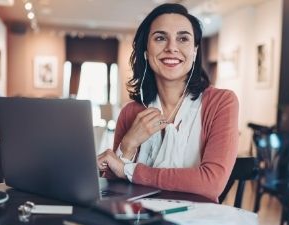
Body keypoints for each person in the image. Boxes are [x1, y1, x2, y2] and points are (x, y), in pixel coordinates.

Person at [97, 3, 238, 202]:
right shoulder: (130, 112)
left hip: (197, 223)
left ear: (195, 50)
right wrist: (128, 144)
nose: (172, 47)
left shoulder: (222, 102)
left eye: (183, 38)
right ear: (146, 50)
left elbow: (211, 184)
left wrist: (130, 170)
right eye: (160, 38)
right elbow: (113, 188)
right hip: (137, 223)